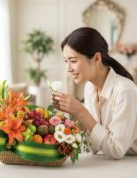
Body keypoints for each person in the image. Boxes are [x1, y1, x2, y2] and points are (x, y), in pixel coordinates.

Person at [52, 27, 137, 159]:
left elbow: (116, 150)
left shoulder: (125, 91)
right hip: (111, 163)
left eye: (73, 61)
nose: (68, 68)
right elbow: (94, 147)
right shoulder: (89, 88)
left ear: (96, 59)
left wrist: (81, 111)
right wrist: (73, 113)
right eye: (65, 61)